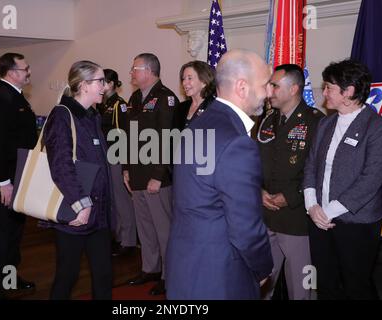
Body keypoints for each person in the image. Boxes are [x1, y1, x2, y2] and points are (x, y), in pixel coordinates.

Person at [166, 49, 273, 299]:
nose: (269, 92)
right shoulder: (236, 141)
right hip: (220, 272)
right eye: (266, 84)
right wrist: (262, 267)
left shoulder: (197, 124)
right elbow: (245, 224)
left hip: (185, 261)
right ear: (243, 87)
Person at [303, 59, 382, 299]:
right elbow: (310, 165)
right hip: (318, 219)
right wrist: (312, 206)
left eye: (329, 87)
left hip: (356, 224)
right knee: (326, 284)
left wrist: (329, 211)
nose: (324, 92)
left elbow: (371, 178)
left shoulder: (377, 126)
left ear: (348, 92)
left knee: (356, 287)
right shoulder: (325, 123)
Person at [44, 60, 113, 300]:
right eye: (100, 81)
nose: (105, 86)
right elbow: (60, 165)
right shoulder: (62, 115)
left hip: (99, 212)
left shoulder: (92, 115)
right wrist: (80, 203)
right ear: (83, 85)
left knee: (104, 275)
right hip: (76, 211)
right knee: (68, 275)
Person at [257, 64, 324, 300]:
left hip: (297, 219)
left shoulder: (315, 121)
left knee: (302, 286)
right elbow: (253, 160)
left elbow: (319, 170)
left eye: (275, 85)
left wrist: (291, 196)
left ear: (294, 88)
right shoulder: (266, 120)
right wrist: (259, 191)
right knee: (261, 280)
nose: (269, 90)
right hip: (266, 215)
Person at [0, 52, 37, 299]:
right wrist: (4, 182)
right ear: (12, 72)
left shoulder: (15, 96)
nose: (28, 72)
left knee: (13, 232)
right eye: (25, 69)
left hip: (16, 176)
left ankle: (10, 279)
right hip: (2, 179)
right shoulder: (0, 99)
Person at [123, 53, 179, 295]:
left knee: (163, 228)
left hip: (156, 176)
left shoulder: (166, 98)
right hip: (136, 173)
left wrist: (159, 173)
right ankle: (150, 268)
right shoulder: (135, 97)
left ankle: (169, 274)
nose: (131, 73)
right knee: (144, 226)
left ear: (150, 71)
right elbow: (127, 135)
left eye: (135, 69)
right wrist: (125, 167)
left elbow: (168, 140)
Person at [97, 68, 137, 256]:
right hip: (105, 156)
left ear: (111, 84)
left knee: (122, 201)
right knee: (112, 200)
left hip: (117, 156)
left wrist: (123, 162)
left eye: (102, 82)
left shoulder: (119, 105)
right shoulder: (102, 104)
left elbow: (123, 134)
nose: (100, 85)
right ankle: (119, 237)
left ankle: (128, 240)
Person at [173, 60, 215, 131]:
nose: (184, 83)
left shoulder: (214, 107)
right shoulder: (180, 108)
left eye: (189, 78)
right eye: (183, 79)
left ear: (204, 81)